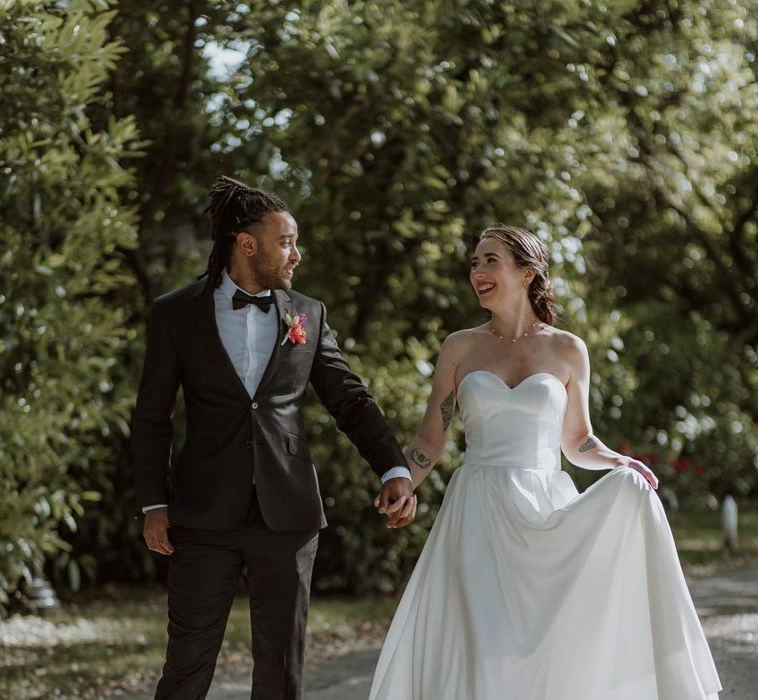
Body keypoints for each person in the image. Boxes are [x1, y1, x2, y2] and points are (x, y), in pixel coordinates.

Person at [369, 225, 721, 700]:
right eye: (474, 264)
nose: (477, 272)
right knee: (484, 641)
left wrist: (619, 461)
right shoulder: (460, 347)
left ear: (527, 271)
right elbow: (430, 439)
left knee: (547, 640)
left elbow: (577, 441)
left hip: (542, 506)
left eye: (490, 260)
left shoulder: (568, 349)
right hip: (477, 510)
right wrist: (403, 482)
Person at [132, 176, 415, 699]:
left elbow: (349, 398)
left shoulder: (306, 313)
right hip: (201, 513)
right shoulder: (176, 312)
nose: (296, 254)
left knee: (282, 669)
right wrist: (154, 501)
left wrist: (393, 467)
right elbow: (152, 417)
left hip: (288, 514)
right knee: (187, 664)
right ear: (247, 243)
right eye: (285, 241)